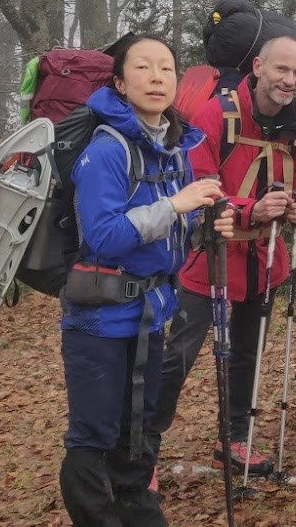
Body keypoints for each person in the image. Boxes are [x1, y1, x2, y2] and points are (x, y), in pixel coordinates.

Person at [58, 33, 226, 526]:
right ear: (118, 81)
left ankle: (141, 515)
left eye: (166, 68)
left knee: (140, 430)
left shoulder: (174, 149)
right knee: (93, 436)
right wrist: (176, 205)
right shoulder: (106, 151)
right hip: (99, 321)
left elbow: (173, 238)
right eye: (143, 68)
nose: (156, 77)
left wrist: (205, 226)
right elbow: (104, 238)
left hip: (152, 314)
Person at [150, 35, 296, 478]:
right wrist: (251, 209)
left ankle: (234, 440)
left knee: (247, 354)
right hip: (210, 255)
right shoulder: (218, 114)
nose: (288, 80)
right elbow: (200, 183)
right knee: (178, 356)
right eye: (281, 69)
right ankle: (142, 450)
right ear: (258, 68)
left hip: (264, 260)